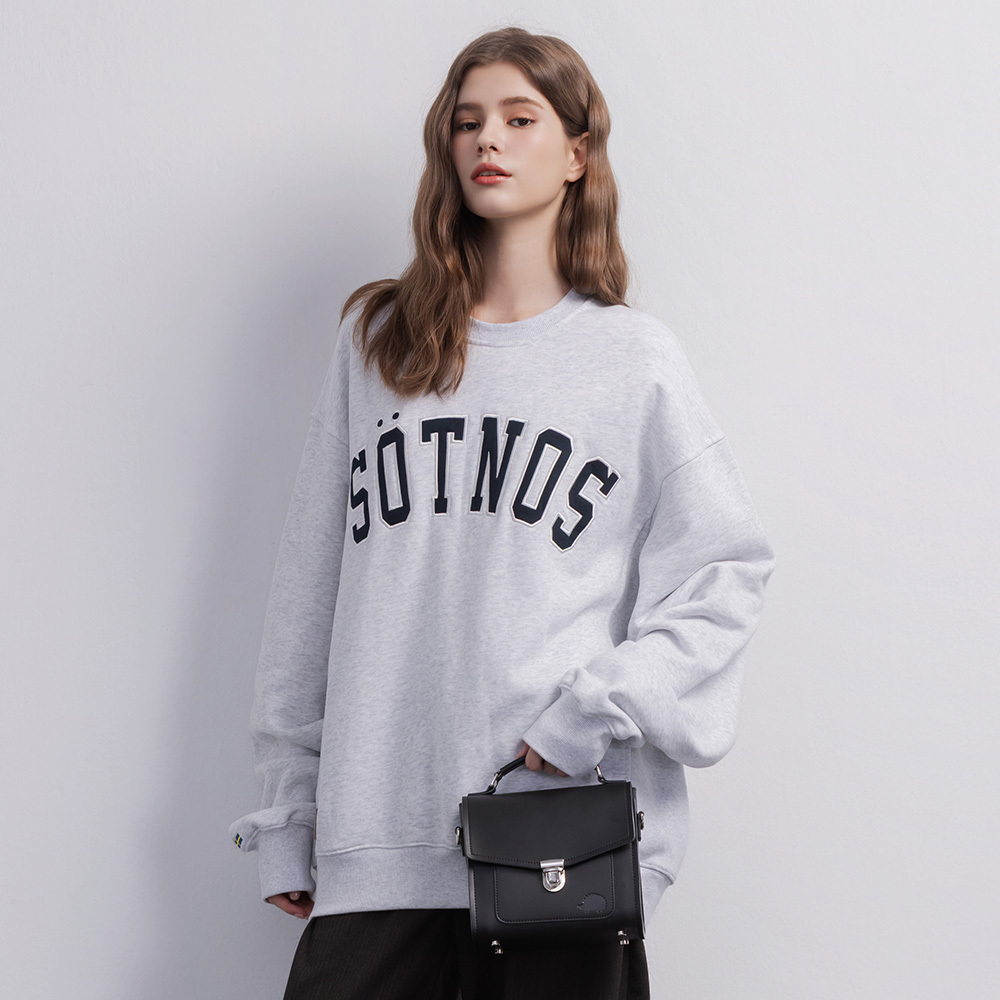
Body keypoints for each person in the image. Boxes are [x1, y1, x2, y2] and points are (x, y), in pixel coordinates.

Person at [228, 25, 775, 1000]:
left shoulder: (632, 362)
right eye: (468, 120)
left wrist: (590, 713)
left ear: (576, 154)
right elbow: (310, 590)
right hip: (377, 841)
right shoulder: (379, 346)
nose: (488, 138)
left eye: (521, 119)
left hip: (554, 838)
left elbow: (725, 573)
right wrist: (287, 813)